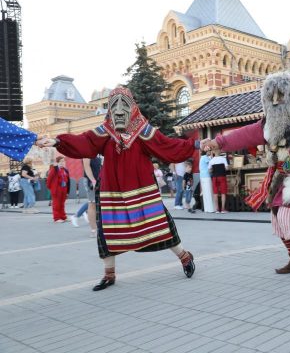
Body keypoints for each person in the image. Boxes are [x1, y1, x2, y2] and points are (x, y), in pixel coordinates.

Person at [37, 87, 197, 291]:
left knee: (160, 225)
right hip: (111, 189)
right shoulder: (105, 131)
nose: (119, 111)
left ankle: (184, 256)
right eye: (114, 105)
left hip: (142, 190)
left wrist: (196, 145)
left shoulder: (143, 130)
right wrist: (58, 141)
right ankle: (109, 274)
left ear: (133, 107)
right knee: (106, 231)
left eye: (124, 105)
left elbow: (167, 146)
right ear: (109, 109)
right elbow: (84, 142)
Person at [201, 72, 290, 277]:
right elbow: (244, 135)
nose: (275, 101)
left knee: (287, 216)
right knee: (277, 218)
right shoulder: (269, 123)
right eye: (271, 96)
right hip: (279, 176)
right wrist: (218, 142)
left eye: (281, 94)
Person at [46, 156, 70, 223]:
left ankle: (63, 217)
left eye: (63, 161)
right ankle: (56, 218)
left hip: (64, 189)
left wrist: (68, 191)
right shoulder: (54, 169)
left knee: (62, 204)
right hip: (57, 189)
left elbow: (68, 182)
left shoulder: (65, 170)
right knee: (56, 204)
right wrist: (51, 188)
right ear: (57, 163)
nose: (62, 163)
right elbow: (49, 180)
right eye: (61, 161)